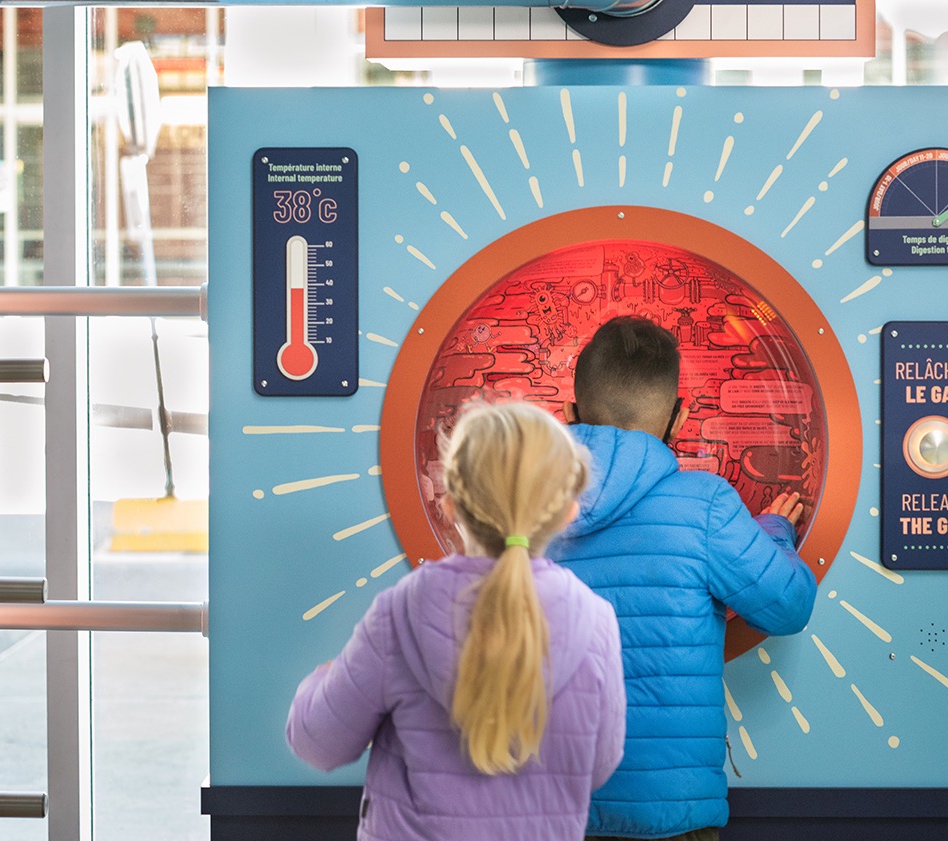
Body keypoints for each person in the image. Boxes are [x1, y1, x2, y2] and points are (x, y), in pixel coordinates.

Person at [286, 401, 626, 841]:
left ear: (449, 502)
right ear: (566, 512)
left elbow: (318, 743)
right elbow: (599, 764)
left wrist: (319, 684)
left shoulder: (402, 610)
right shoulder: (595, 621)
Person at [551, 315, 817, 841]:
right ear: (679, 416)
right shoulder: (707, 506)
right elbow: (789, 605)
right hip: (672, 820)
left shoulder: (519, 513)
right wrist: (773, 533)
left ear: (568, 414)